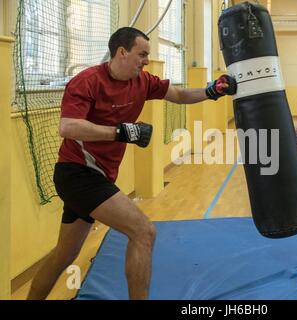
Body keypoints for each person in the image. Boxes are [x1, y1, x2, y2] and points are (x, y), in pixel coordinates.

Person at [26, 27, 236, 300]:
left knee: (64, 255)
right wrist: (120, 132)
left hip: (97, 177)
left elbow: (180, 96)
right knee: (143, 231)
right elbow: (68, 127)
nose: (147, 60)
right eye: (142, 54)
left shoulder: (143, 81)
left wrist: (211, 91)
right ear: (122, 52)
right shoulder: (87, 81)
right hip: (77, 173)